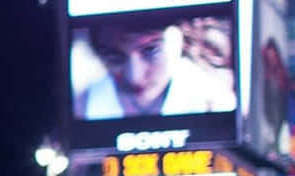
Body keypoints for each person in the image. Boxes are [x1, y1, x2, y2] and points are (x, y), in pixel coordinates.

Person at [74, 15, 236, 120]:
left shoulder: (214, 103)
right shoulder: (83, 108)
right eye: (113, 56)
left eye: (152, 50)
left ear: (180, 36)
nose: (134, 77)